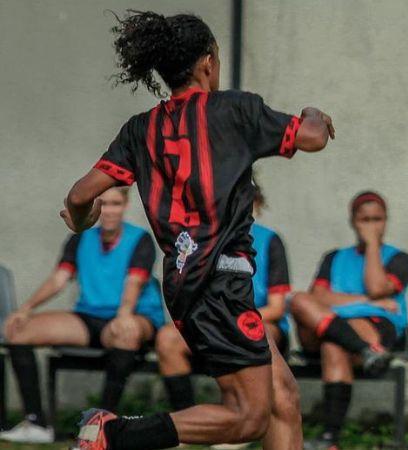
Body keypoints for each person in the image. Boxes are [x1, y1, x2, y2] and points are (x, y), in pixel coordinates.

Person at [60, 10, 335, 450]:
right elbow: (313, 137)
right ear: (208, 63)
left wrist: (83, 220)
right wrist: (314, 111)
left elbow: (78, 197)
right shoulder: (234, 110)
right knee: (248, 419)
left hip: (186, 282)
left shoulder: (140, 129)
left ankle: (112, 433)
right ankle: (113, 434)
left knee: (282, 396)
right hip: (221, 281)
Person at [0, 187, 164, 444]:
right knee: (18, 331)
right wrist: (25, 309)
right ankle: (37, 424)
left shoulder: (140, 239)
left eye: (115, 204)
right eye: (104, 205)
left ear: (125, 205)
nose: (109, 211)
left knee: (126, 330)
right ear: (95, 208)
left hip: (134, 316)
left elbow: (134, 283)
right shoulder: (80, 238)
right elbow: (59, 278)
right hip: (89, 317)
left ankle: (101, 426)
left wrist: (123, 316)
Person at [154, 181, 292, 449]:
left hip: (257, 320)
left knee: (264, 336)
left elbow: (276, 307)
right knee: (168, 339)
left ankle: (239, 420)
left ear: (257, 205)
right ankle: (191, 425)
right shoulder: (203, 241)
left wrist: (229, 319)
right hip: (211, 323)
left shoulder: (270, 241)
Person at [290, 191, 408, 450]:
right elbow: (317, 297)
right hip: (332, 328)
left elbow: (378, 287)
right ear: (353, 221)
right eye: (364, 220)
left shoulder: (400, 259)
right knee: (299, 299)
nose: (371, 225)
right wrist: (367, 301)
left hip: (375, 328)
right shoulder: (334, 257)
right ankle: (366, 351)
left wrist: (371, 247)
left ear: (386, 221)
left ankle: (329, 440)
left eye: (377, 219)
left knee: (334, 345)